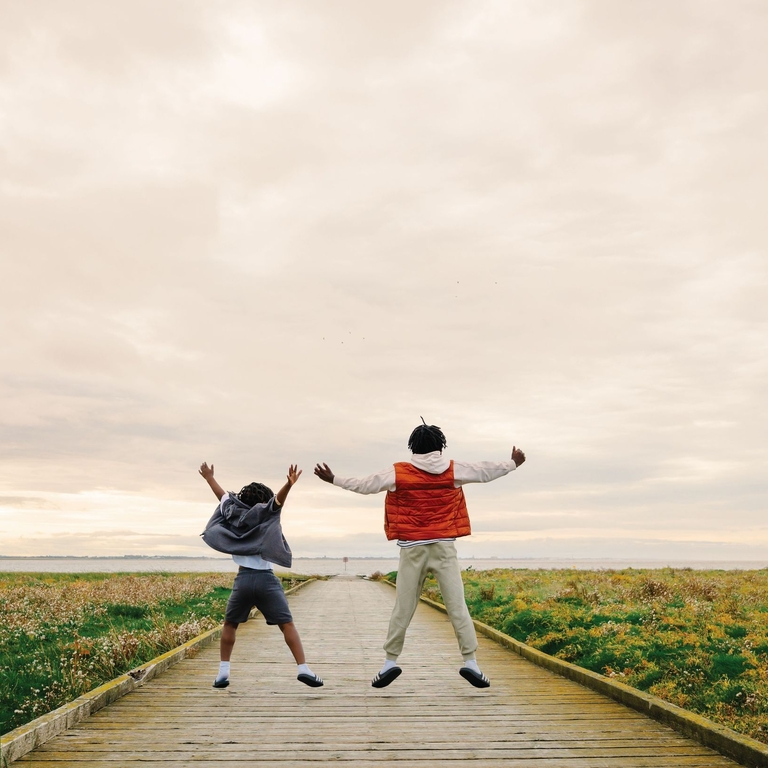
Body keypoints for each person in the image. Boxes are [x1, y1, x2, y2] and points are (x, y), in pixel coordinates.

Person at [314, 420, 525, 689]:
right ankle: (471, 662)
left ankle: (390, 662)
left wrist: (334, 479)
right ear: (440, 446)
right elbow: (485, 471)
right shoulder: (453, 470)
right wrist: (513, 463)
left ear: (413, 446)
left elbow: (365, 485)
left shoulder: (398, 472)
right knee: (457, 606)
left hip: (412, 549)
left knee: (403, 606)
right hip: (444, 549)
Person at [199, 461, 323, 689]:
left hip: (243, 580)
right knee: (287, 625)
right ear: (264, 500)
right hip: (267, 581)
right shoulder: (267, 514)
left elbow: (222, 497)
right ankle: (303, 668)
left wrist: (209, 477)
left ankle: (223, 673)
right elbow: (278, 501)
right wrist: (289, 484)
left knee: (230, 625)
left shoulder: (233, 513)